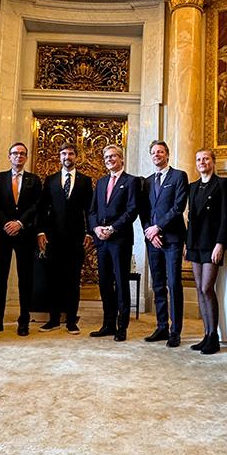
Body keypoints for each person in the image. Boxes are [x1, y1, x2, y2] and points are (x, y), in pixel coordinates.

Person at [0, 142, 42, 337]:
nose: (18, 156)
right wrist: (6, 223)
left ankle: (24, 320)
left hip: (25, 234)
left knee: (25, 279)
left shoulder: (34, 180)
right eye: (15, 153)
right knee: (0, 277)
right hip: (3, 234)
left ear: (26, 158)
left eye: (22, 154)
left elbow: (36, 206)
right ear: (9, 157)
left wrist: (19, 223)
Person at [36, 142, 93, 334]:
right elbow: (43, 207)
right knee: (53, 279)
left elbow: (90, 210)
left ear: (76, 157)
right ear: (59, 157)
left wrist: (89, 232)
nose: (67, 157)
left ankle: (70, 321)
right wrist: (42, 231)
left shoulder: (85, 181)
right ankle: (53, 320)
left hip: (76, 239)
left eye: (70, 154)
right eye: (63, 154)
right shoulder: (50, 180)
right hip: (54, 238)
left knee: (72, 280)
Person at [88, 144, 140, 342]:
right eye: (106, 156)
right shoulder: (100, 182)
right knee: (104, 283)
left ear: (121, 159)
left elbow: (132, 210)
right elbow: (92, 211)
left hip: (119, 240)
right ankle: (108, 324)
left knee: (120, 282)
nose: (109, 159)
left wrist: (112, 228)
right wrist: (95, 229)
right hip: (101, 241)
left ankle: (121, 326)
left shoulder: (131, 181)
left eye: (113, 156)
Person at [140, 140, 189, 348]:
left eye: (160, 151)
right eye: (153, 152)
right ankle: (161, 326)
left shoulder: (179, 176)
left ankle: (175, 330)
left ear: (167, 155)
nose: (156, 155)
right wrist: (150, 232)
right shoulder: (147, 181)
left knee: (174, 283)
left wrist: (158, 227)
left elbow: (178, 206)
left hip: (172, 239)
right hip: (153, 240)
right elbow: (143, 210)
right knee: (158, 284)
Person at [185, 148, 227, 355]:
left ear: (213, 162)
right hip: (195, 242)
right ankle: (205, 334)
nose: (202, 162)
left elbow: (225, 216)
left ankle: (214, 337)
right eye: (198, 159)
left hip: (212, 243)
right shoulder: (192, 186)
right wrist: (187, 243)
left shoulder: (222, 184)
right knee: (198, 288)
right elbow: (192, 218)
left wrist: (220, 243)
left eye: (205, 158)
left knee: (206, 288)